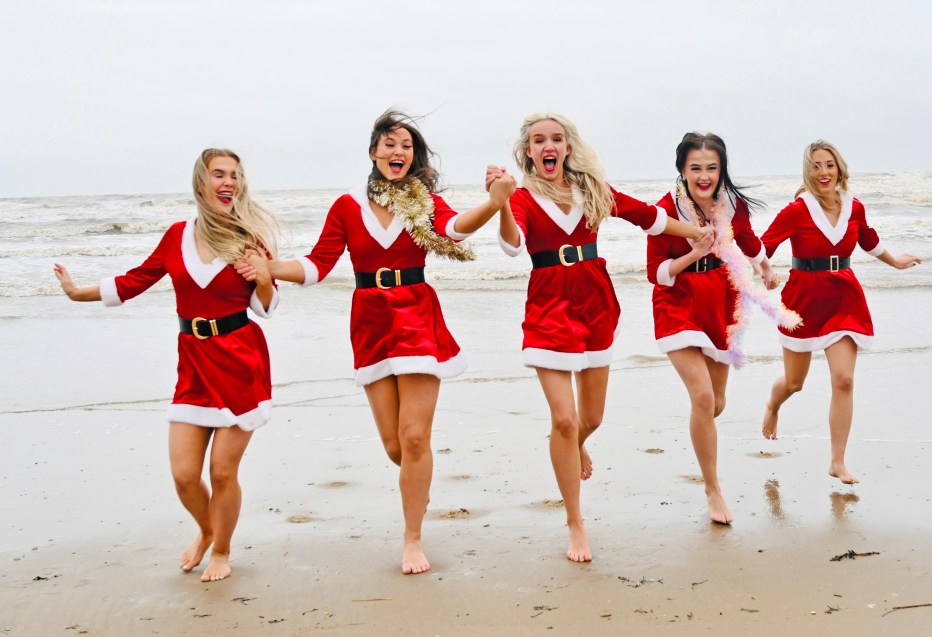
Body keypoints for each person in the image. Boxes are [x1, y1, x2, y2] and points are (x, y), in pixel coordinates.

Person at [266, 110, 515, 575]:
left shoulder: (424, 203)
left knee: (415, 436)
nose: (397, 152)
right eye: (390, 144)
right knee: (396, 447)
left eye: (406, 146)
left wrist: (496, 202)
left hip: (417, 314)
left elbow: (454, 230)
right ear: (374, 152)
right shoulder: (346, 207)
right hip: (371, 322)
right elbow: (318, 265)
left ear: (413, 157)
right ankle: (417, 482)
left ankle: (413, 538)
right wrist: (268, 268)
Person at [53, 148, 281, 582]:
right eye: (219, 174)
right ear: (201, 183)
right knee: (183, 476)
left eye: (235, 175)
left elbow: (265, 308)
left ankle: (222, 552)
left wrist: (266, 279)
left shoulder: (249, 239)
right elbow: (134, 280)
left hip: (239, 362)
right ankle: (207, 528)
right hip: (193, 364)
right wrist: (76, 292)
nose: (228, 181)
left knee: (222, 470)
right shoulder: (176, 236)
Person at [490, 113, 709, 561]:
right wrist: (499, 203)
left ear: (567, 146)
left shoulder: (594, 191)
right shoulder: (524, 197)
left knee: (590, 420)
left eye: (555, 138)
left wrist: (697, 234)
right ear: (529, 151)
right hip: (548, 304)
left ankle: (578, 446)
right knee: (564, 420)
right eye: (537, 141)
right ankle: (575, 523)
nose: (547, 146)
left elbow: (651, 219)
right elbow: (512, 245)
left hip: (595, 302)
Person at [760, 140, 921, 484]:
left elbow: (868, 239)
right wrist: (766, 271)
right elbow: (763, 245)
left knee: (844, 380)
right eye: (816, 166)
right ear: (808, 171)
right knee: (794, 383)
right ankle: (773, 406)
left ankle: (837, 461)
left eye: (829, 165)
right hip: (803, 298)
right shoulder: (796, 210)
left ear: (839, 167)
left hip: (844, 297)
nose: (823, 172)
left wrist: (896, 262)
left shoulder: (854, 206)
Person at [647, 132, 783, 525]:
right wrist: (693, 252)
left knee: (716, 402)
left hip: (720, 299)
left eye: (712, 168)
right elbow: (655, 272)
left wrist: (766, 267)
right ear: (682, 170)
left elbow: (749, 240)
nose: (704, 176)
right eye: (696, 168)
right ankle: (713, 490)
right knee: (704, 398)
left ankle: (701, 429)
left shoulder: (731, 206)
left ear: (721, 170)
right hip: (676, 302)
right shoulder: (664, 211)